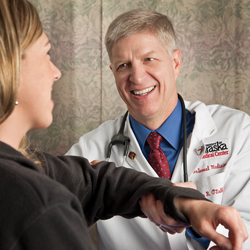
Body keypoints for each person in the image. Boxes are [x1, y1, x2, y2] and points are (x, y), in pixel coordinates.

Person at [1, 1, 247, 249]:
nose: (137, 77)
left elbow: (244, 231)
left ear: (175, 62)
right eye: (123, 65)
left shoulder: (238, 130)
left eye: (149, 59)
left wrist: (189, 211)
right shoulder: (89, 149)